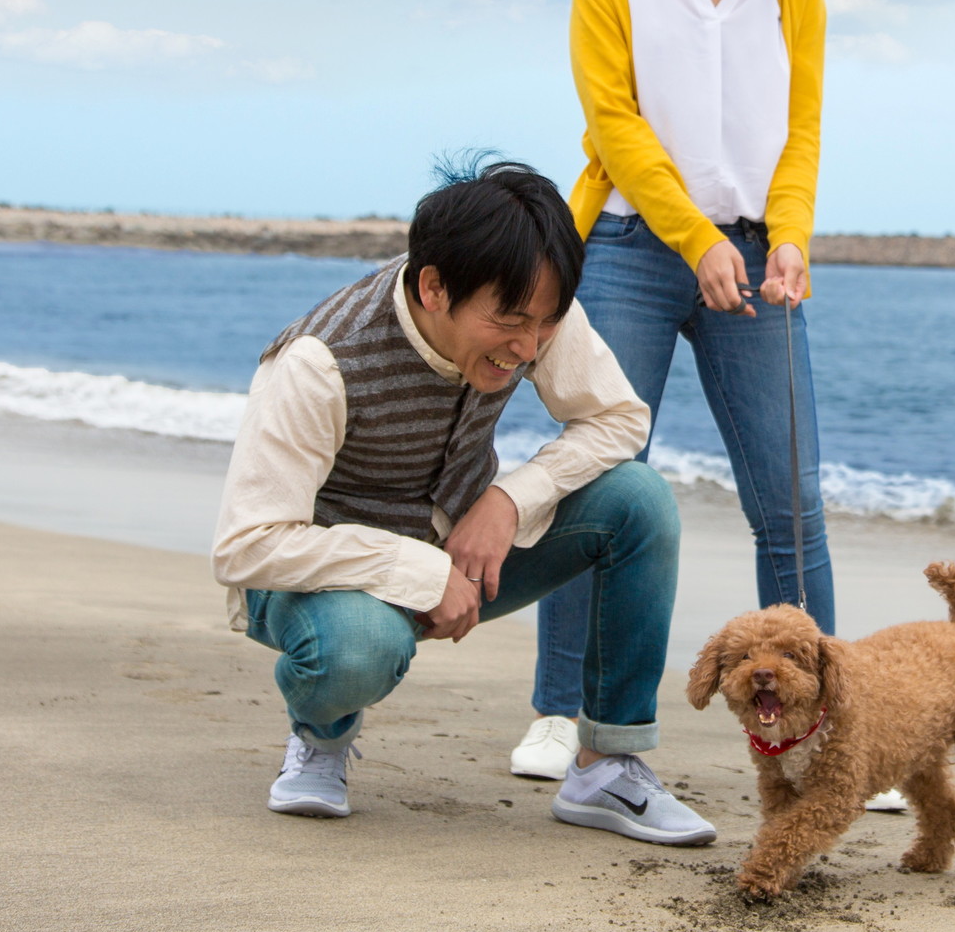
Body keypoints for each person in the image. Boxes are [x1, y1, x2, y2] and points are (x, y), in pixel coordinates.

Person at [510, 0, 884, 806]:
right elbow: (614, 122)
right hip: (630, 242)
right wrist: (692, 236)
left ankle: (831, 733)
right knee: (602, 482)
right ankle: (562, 710)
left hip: (759, 254)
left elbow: (800, 130)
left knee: (790, 501)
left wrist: (789, 239)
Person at [212, 158, 716, 845]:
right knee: (358, 647)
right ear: (433, 288)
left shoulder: (533, 306)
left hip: (462, 548)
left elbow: (619, 419)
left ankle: (606, 769)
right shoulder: (318, 362)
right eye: (510, 322)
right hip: (316, 580)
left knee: (637, 498)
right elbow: (249, 545)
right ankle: (320, 734)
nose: (528, 345)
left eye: (545, 323)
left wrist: (509, 499)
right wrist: (420, 573)